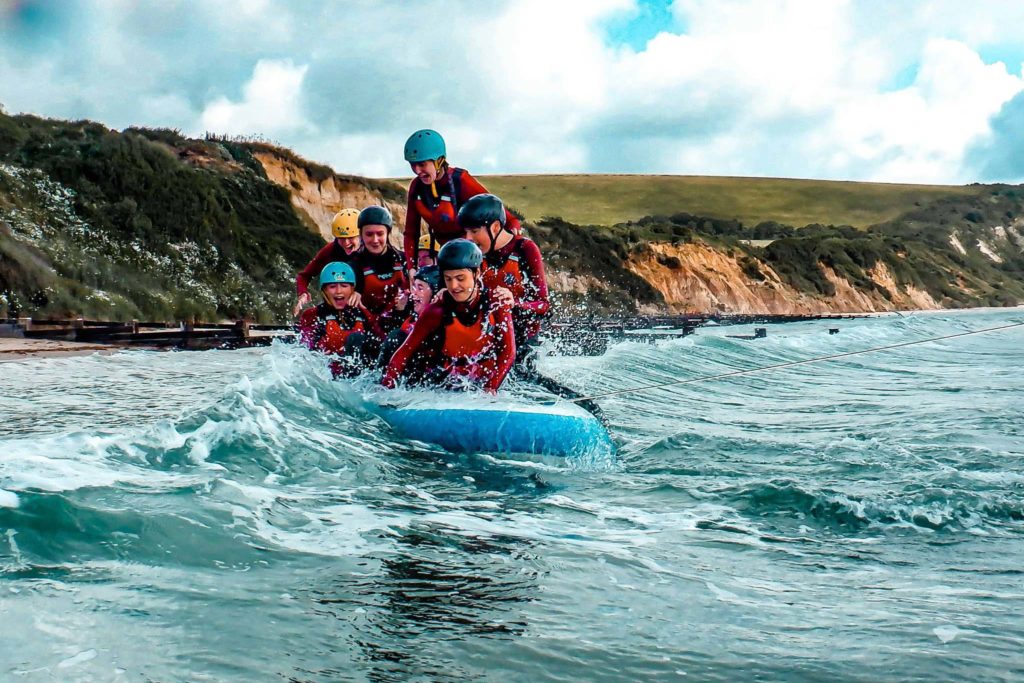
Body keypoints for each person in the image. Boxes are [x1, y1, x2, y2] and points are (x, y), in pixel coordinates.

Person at [382, 239, 515, 393]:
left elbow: (509, 353)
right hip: (450, 383)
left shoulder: (496, 303)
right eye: (448, 279)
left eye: (460, 278)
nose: (453, 286)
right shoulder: (436, 310)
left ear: (476, 273)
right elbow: (404, 352)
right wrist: (387, 388)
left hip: (488, 381)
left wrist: (490, 388)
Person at [401, 129, 521, 272]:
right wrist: (411, 269)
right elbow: (411, 233)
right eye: (413, 165)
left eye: (422, 164)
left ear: (439, 160)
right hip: (447, 253)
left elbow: (492, 207)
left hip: (473, 252)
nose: (417, 170)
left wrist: (513, 225)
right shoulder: (416, 187)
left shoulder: (460, 180)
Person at [458, 193, 549, 355]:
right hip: (485, 335)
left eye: (474, 231)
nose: (468, 238)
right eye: (466, 232)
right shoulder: (473, 252)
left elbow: (543, 305)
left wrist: (514, 303)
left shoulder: (525, 249)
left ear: (495, 227)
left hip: (522, 340)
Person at [298, 261, 381, 378]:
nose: (339, 291)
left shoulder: (363, 314)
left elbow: (380, 344)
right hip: (327, 377)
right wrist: (318, 354)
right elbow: (304, 348)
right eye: (332, 286)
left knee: (356, 338)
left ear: (352, 289)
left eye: (344, 286)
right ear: (324, 290)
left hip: (359, 379)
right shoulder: (313, 315)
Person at [348, 206, 409, 338]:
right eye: (369, 234)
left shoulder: (403, 260)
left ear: (388, 234)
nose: (375, 240)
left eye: (380, 234)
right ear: (361, 235)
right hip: (366, 331)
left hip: (398, 325)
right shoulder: (353, 264)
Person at [376, 265, 442, 379]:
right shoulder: (411, 316)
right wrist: (400, 311)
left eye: (420, 288)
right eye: (414, 287)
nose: (413, 294)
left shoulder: (443, 320)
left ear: (435, 293)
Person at [294, 208, 361, 316]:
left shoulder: (370, 250)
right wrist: (303, 293)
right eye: (341, 238)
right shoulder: (330, 250)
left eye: (351, 237)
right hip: (335, 304)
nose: (346, 243)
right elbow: (304, 276)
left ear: (361, 235)